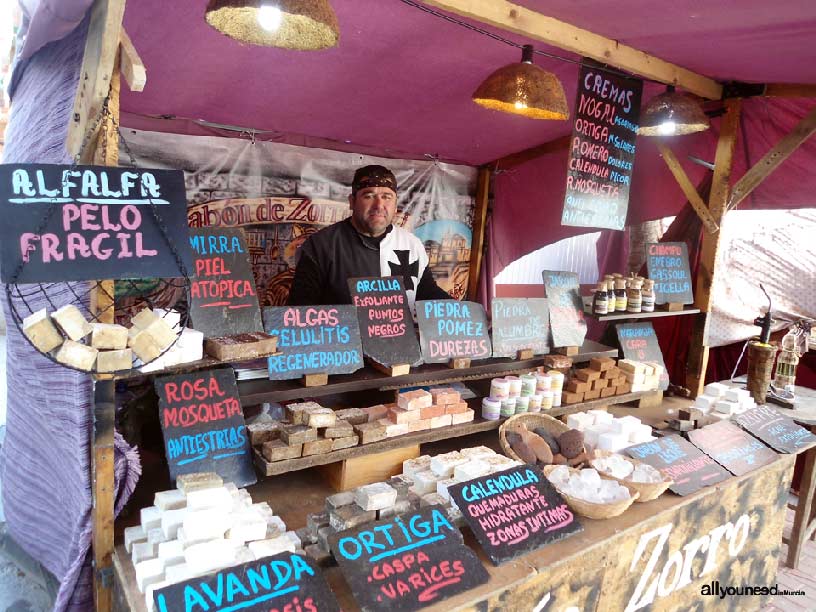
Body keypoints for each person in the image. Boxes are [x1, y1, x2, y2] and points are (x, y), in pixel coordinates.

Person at [287, 164, 450, 309]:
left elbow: (426, 292)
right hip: (344, 341)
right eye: (368, 196)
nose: (379, 205)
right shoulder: (321, 245)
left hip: (399, 342)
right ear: (352, 201)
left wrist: (463, 312)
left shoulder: (411, 244)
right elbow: (299, 310)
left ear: (395, 204)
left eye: (387, 197)